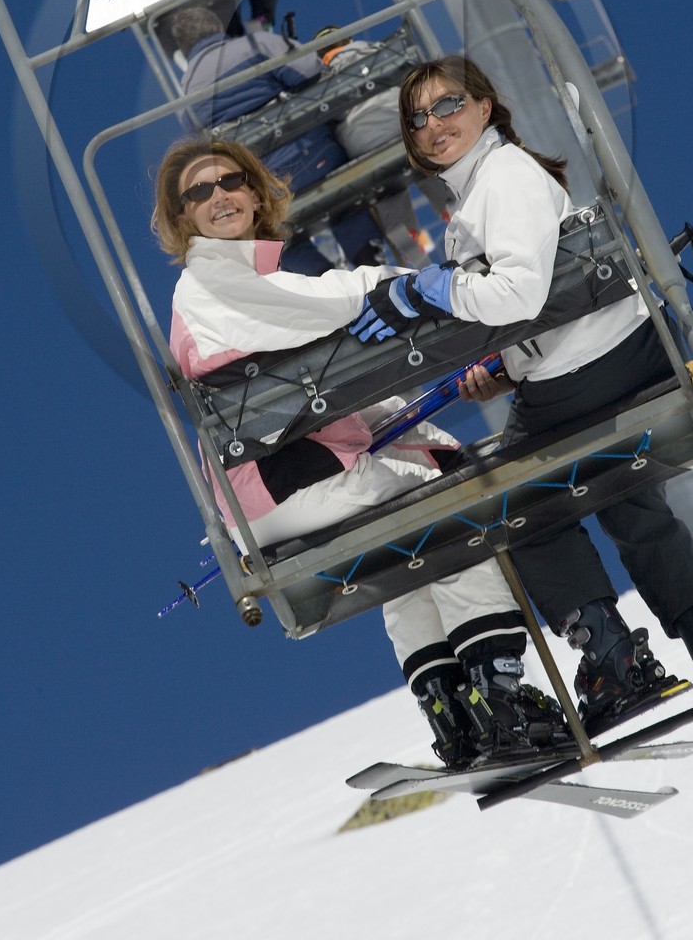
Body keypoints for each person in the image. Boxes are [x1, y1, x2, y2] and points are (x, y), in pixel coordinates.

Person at [347, 54, 693, 740]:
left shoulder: (503, 177)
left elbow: (519, 292)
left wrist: (426, 289)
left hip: (589, 369)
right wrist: (502, 365)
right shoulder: (483, 192)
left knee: (506, 502)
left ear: (485, 106)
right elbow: (535, 304)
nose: (432, 125)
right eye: (417, 118)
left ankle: (612, 658)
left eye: (447, 106)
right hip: (608, 358)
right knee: (623, 491)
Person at [153, 135, 562, 765]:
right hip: (287, 480)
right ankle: (500, 697)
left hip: (281, 484)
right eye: (199, 193)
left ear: (256, 191)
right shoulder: (211, 286)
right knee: (448, 514)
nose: (219, 197)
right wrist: (416, 287)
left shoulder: (246, 282)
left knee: (402, 546)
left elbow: (321, 369)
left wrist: (434, 441)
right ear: (183, 218)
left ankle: (452, 710)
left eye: (230, 182)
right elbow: (326, 308)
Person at [171, 7, 382, 274]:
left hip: (266, 190)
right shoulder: (254, 45)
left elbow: (203, 150)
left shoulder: (186, 99)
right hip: (316, 158)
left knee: (274, 232)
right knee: (346, 205)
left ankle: (321, 282)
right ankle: (371, 261)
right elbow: (312, 72)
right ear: (217, 28)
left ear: (184, 49)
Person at [314, 28, 450, 265]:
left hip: (364, 147)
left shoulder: (321, 84)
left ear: (321, 56)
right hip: (404, 129)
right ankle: (458, 220)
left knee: (390, 202)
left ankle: (421, 263)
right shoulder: (378, 50)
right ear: (349, 39)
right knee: (435, 174)